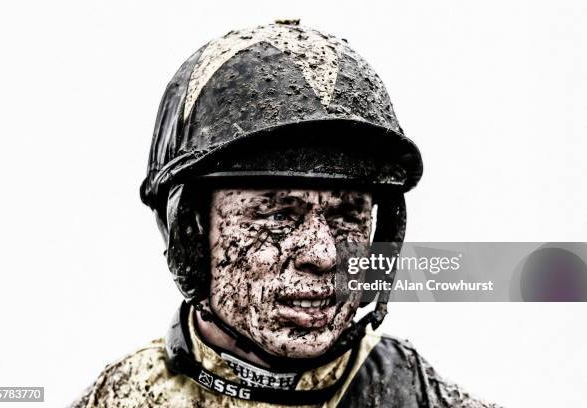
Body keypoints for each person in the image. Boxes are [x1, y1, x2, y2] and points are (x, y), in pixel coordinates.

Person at [71, 21, 498, 408]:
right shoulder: (120, 399)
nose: (323, 254)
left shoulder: (418, 398)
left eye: (348, 214)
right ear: (192, 232)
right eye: (278, 213)